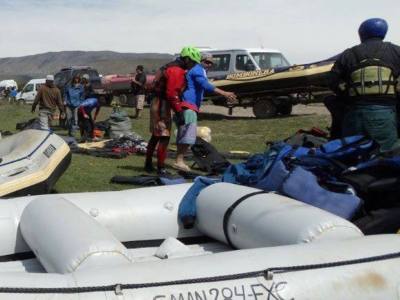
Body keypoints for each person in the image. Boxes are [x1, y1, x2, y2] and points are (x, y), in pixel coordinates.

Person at [330, 18, 400, 151]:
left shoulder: (348, 54)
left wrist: (346, 97)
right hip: (385, 115)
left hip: (354, 114)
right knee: (385, 155)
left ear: (361, 34)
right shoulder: (396, 51)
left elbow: (332, 81)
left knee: (352, 154)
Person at [173, 46, 237, 171]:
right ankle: (179, 161)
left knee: (185, 135)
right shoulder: (198, 70)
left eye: (211, 63)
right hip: (188, 106)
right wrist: (225, 93)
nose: (209, 65)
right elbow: (205, 85)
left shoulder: (196, 70)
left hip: (187, 105)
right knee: (187, 136)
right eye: (206, 62)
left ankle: (179, 160)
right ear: (200, 61)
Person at [144, 54, 188, 175]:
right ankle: (160, 167)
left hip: (157, 103)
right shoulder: (176, 70)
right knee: (164, 137)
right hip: (162, 105)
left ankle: (148, 164)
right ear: (187, 60)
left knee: (156, 136)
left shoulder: (168, 67)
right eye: (193, 62)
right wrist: (179, 111)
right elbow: (171, 93)